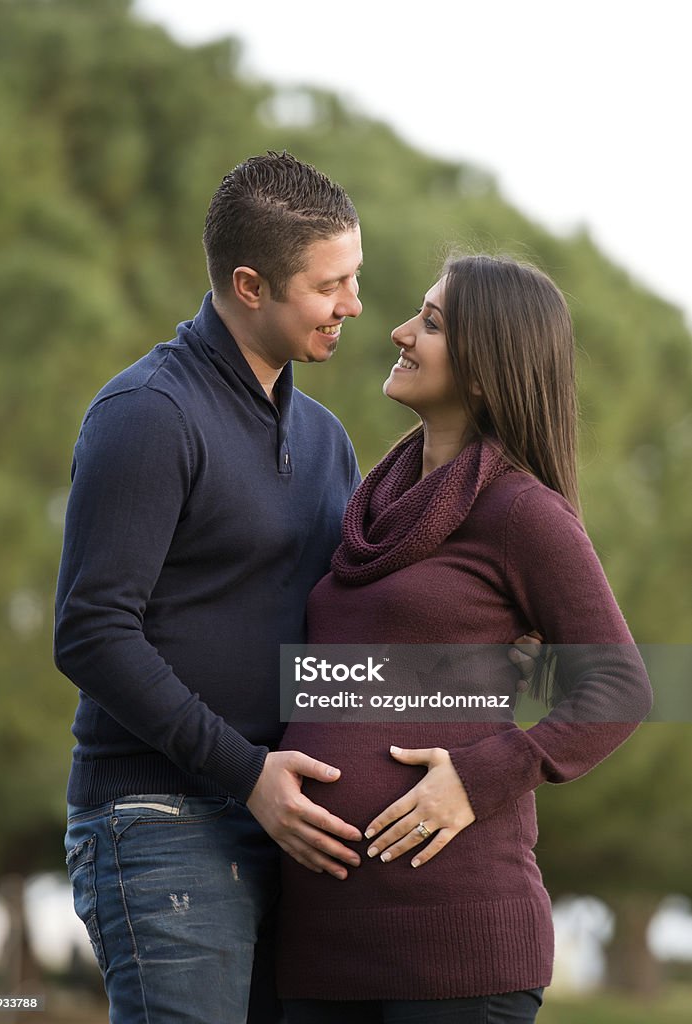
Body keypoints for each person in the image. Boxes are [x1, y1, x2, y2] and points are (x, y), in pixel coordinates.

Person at [276, 254, 653, 1023]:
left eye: (432, 322)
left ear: (487, 370)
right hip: (322, 947)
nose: (399, 331)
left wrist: (479, 777)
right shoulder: (372, 507)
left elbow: (618, 687)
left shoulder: (521, 512)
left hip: (456, 946)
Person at [55, 151, 367, 1024]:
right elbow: (91, 632)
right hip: (160, 825)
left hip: (291, 828)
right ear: (250, 284)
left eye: (355, 278)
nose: (352, 306)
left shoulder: (327, 437)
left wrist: (498, 671)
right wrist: (246, 773)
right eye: (328, 285)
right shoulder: (148, 413)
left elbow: (332, 629)